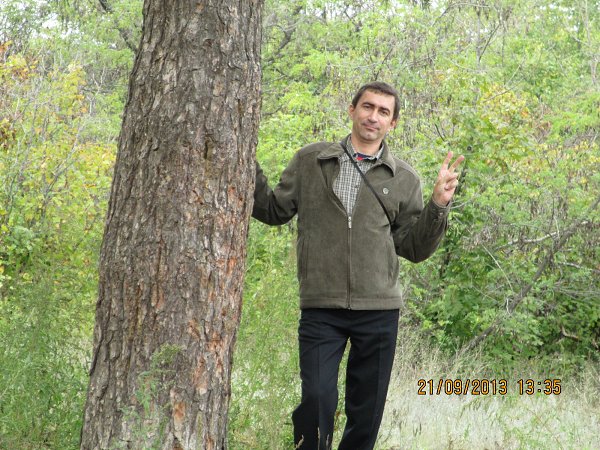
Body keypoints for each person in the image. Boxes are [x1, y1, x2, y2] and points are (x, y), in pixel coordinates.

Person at [252, 81, 464, 450]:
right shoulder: (311, 161)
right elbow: (272, 210)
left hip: (379, 311)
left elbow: (414, 248)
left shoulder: (404, 178)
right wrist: (244, 160)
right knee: (317, 400)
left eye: (383, 112)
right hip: (322, 306)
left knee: (366, 414)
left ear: (393, 123)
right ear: (352, 110)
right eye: (367, 107)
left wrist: (438, 205)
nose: (373, 117)